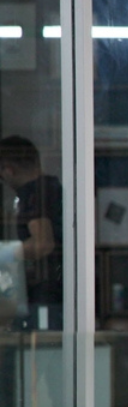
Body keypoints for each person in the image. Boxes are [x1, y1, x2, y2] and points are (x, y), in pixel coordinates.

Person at [0, 136, 64, 331]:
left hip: (46, 295)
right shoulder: (51, 188)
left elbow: (43, 244)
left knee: (40, 352)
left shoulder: (34, 194)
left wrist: (6, 252)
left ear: (8, 170)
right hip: (53, 293)